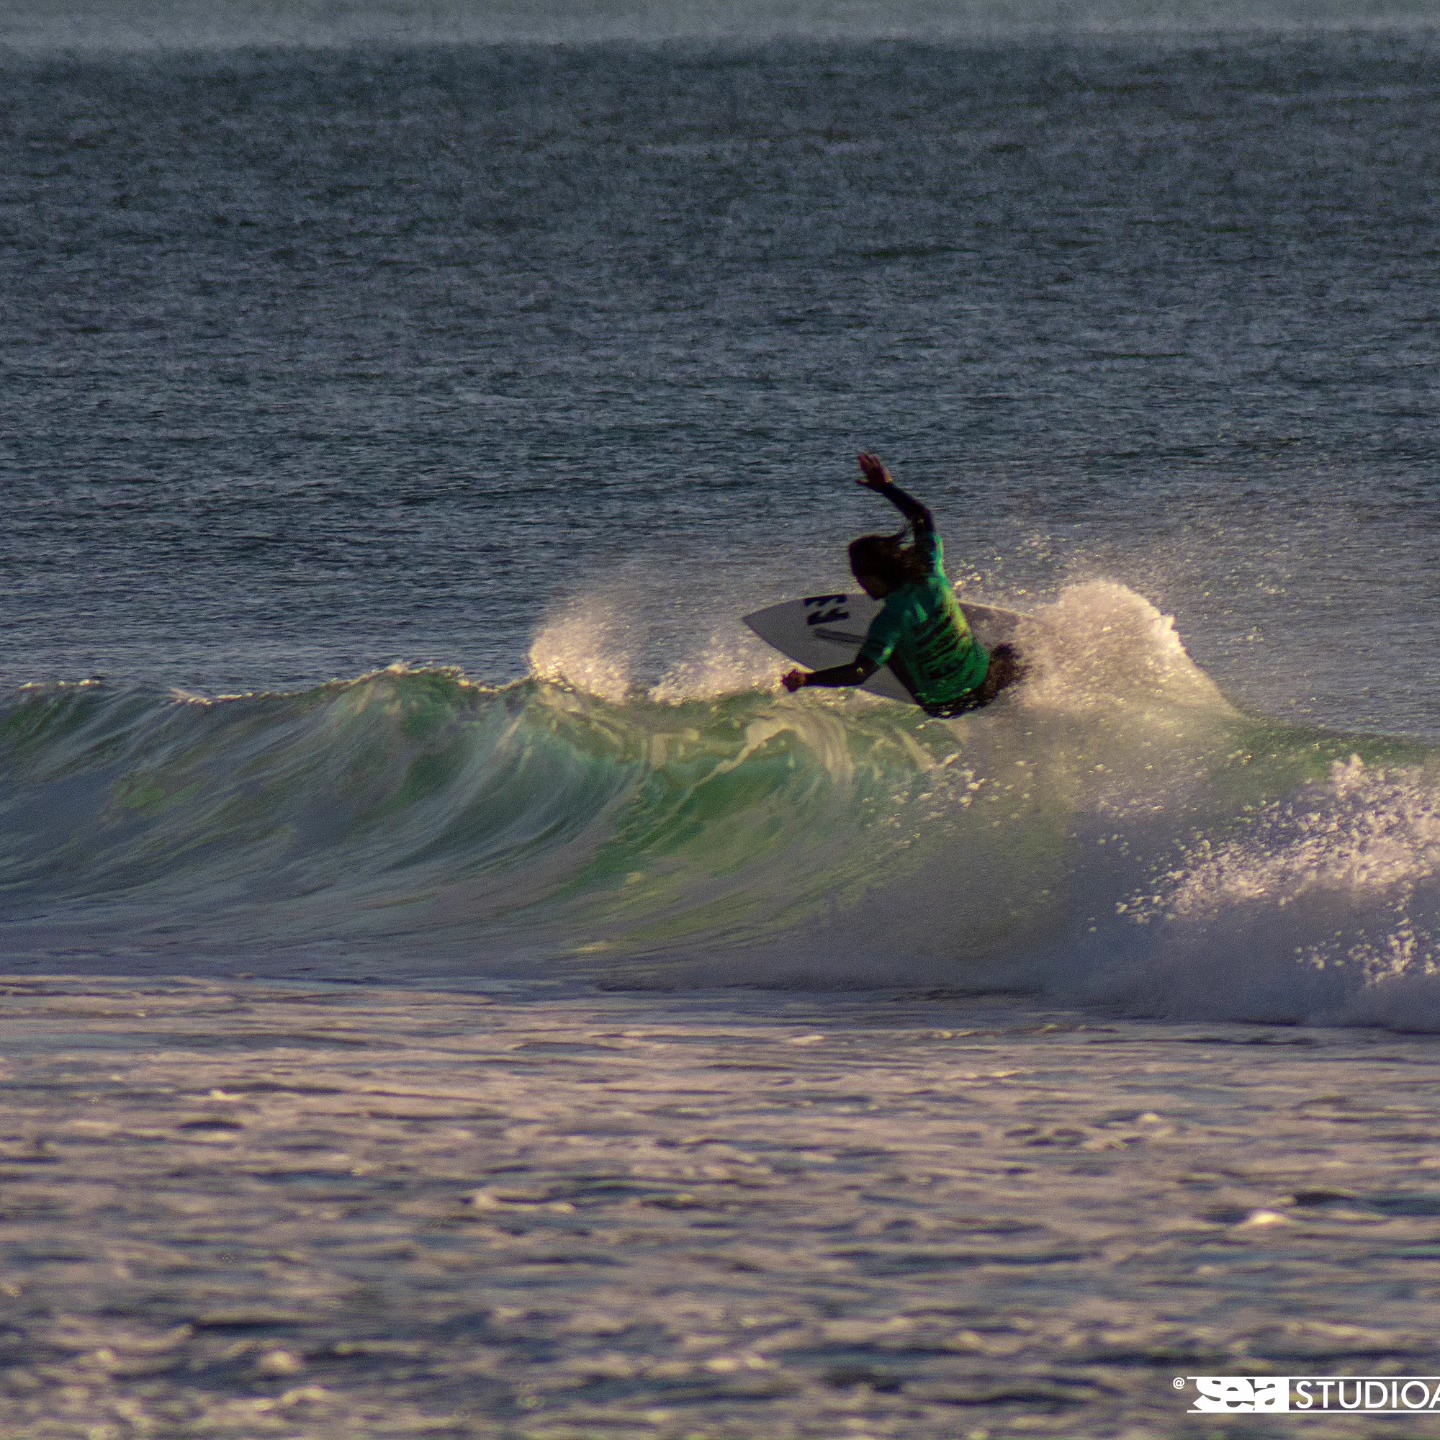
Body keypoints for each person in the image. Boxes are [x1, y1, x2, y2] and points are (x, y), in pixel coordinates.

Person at [781, 453, 1023, 716]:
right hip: (985, 685)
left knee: (891, 649)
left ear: (873, 577)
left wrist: (807, 679)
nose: (862, 587)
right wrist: (886, 487)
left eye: (861, 580)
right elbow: (922, 516)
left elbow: (859, 672)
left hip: (942, 707)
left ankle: (915, 665)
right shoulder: (932, 573)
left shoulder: (889, 621)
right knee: (1013, 651)